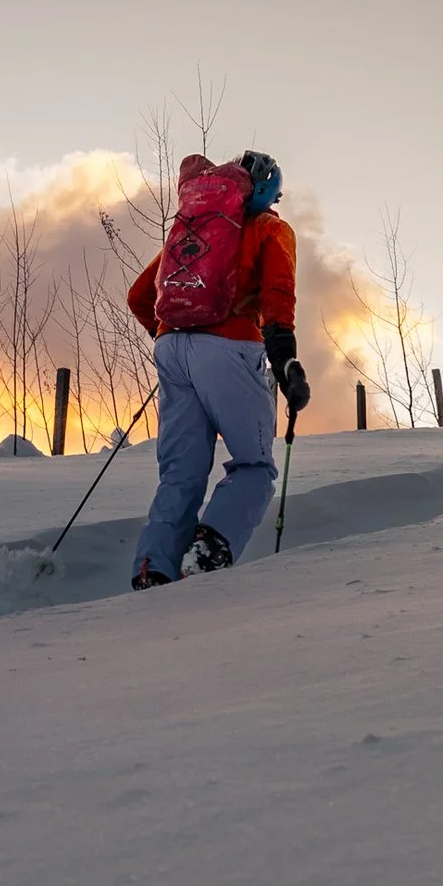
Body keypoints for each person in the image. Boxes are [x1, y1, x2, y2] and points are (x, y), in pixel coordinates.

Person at [125, 151, 310, 587]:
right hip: (229, 347)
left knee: (180, 474)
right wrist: (285, 361)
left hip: (170, 347)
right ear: (267, 192)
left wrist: (178, 331)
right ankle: (208, 551)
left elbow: (138, 296)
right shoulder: (271, 229)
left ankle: (153, 569)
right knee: (254, 465)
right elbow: (278, 293)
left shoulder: (192, 229)